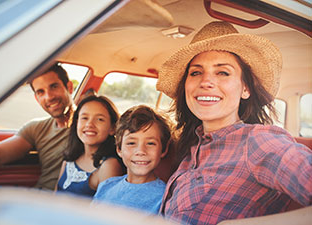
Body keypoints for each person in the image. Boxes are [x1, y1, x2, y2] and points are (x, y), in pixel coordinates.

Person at [155, 21, 312, 224]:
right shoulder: (189, 147)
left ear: (245, 89)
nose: (205, 82)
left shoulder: (259, 141)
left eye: (222, 72)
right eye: (195, 72)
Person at [0, 63, 75, 190]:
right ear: (36, 98)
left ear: (69, 87)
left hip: (61, 205)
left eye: (54, 86)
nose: (49, 97)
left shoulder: (91, 126)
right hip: (35, 197)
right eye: (41, 92)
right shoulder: (36, 128)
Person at [92, 105, 172, 215]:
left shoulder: (165, 197)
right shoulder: (106, 186)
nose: (141, 151)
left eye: (150, 143)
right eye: (131, 143)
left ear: (163, 150)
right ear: (119, 149)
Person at [55, 95, 124, 197]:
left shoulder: (109, 165)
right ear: (76, 122)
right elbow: (55, 195)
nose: (89, 124)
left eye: (100, 119)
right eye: (84, 118)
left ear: (112, 128)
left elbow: (106, 209)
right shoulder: (70, 158)